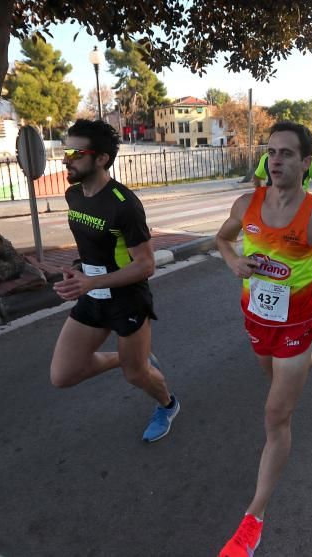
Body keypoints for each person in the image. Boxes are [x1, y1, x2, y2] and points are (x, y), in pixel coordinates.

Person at [216, 121, 312, 557]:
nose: (276, 160)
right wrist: (234, 261)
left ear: (306, 162)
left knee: (276, 416)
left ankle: (253, 519)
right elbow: (221, 239)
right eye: (271, 152)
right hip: (257, 321)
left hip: (297, 324)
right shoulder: (246, 204)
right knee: (273, 374)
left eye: (287, 153)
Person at [49, 119, 180, 443]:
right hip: (92, 294)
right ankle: (129, 358)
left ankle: (167, 405)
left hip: (127, 299)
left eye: (76, 153)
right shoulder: (73, 195)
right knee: (62, 375)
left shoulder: (125, 205)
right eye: (67, 151)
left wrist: (93, 283)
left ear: (101, 159)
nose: (67, 159)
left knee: (136, 375)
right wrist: (79, 270)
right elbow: (95, 247)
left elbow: (146, 265)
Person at [254, 152, 312, 258]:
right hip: (273, 203)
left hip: (299, 204)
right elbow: (257, 177)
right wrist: (261, 194)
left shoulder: (308, 163)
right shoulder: (266, 158)